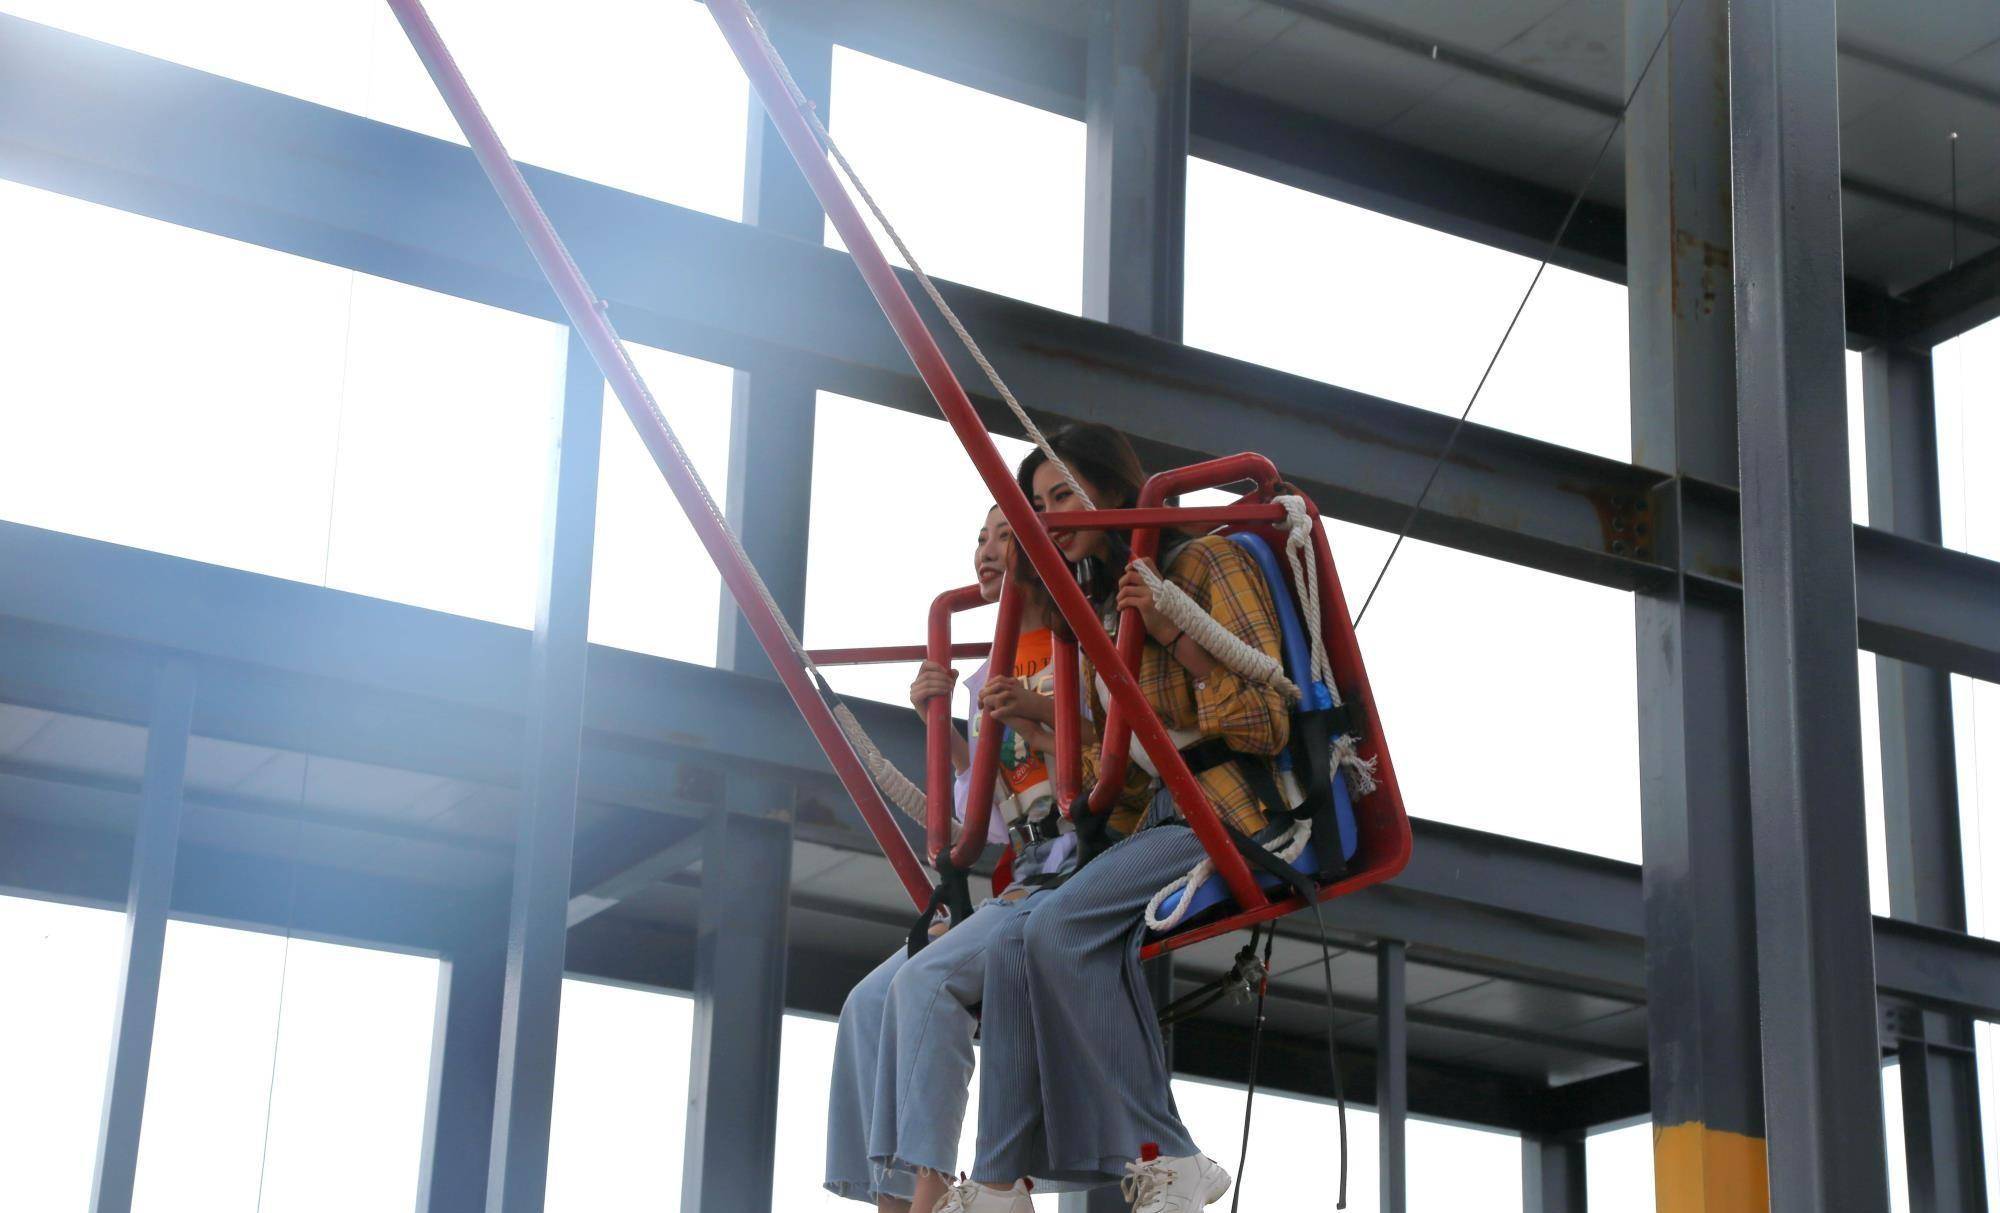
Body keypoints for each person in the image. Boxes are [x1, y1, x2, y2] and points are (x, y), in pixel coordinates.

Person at [945, 425, 1292, 1213]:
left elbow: (1268, 719)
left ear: (1111, 489)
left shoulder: (1198, 564)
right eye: (1041, 504)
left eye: (1065, 494)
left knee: (1060, 928)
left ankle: (1170, 1152)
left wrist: (1175, 632)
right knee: (1014, 940)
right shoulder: (1103, 612)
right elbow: (1122, 755)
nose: (1053, 515)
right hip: (1158, 816)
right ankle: (1000, 1180)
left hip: (1230, 806)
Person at [825, 504, 1074, 1213]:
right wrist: (952, 735)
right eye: (982, 537)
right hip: (1024, 864)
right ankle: (893, 1198)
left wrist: (1027, 712)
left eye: (1006, 536)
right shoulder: (986, 673)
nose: (987, 551)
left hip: (1073, 857)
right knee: (868, 1002)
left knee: (924, 983)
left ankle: (934, 1190)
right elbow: (990, 815)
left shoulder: (1078, 643)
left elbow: (1098, 761)